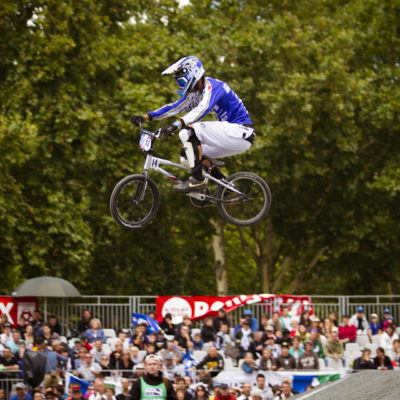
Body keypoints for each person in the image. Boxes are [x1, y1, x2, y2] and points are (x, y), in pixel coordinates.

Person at [131, 56, 255, 192]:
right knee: (188, 156)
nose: (181, 85)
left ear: (193, 74)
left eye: (182, 81)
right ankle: (224, 186)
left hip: (241, 131)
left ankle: (197, 180)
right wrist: (145, 117)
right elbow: (174, 107)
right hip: (232, 137)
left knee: (188, 132)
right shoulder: (197, 93)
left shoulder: (213, 86)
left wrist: (176, 124)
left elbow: (202, 108)